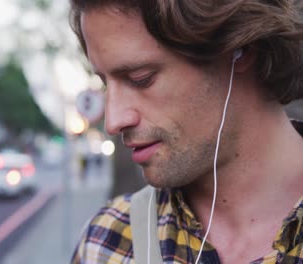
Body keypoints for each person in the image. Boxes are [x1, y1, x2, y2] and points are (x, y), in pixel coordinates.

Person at [69, 0, 303, 263]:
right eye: (105, 84)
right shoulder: (105, 242)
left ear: (241, 49)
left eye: (140, 78)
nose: (113, 121)